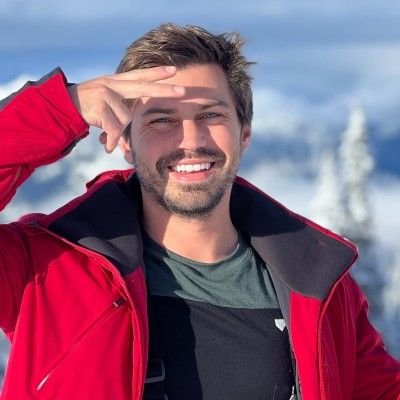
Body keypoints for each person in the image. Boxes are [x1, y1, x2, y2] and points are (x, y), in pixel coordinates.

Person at [0, 23, 399, 400]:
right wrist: (62, 108)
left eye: (210, 115)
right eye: (162, 120)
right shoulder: (44, 267)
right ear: (125, 142)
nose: (190, 140)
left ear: (244, 134)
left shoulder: (316, 284)